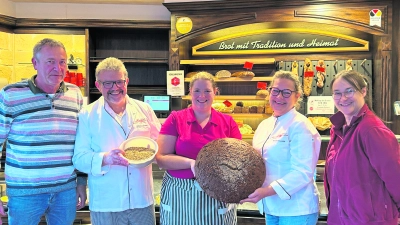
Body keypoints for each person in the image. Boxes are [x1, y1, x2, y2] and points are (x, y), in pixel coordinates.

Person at [0, 38, 87, 225]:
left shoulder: (75, 94)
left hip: (65, 191)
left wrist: (81, 182)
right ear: (35, 63)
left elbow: (81, 144)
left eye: (62, 61)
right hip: (25, 193)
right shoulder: (11, 95)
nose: (58, 67)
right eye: (50, 62)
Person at [72, 57, 161, 225]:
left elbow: (160, 144)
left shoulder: (144, 109)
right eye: (108, 83)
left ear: (127, 81)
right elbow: (79, 159)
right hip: (106, 202)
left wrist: (155, 155)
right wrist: (106, 158)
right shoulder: (87, 115)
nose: (115, 88)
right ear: (98, 85)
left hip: (141, 200)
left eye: (119, 82)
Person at [155, 71, 242, 225]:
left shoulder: (227, 122)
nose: (202, 96)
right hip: (180, 194)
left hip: (218, 194)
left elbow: (238, 160)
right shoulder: (176, 119)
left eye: (207, 91)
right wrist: (192, 164)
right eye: (197, 91)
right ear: (190, 93)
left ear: (215, 92)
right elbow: (161, 159)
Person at [240, 70, 321, 225]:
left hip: (296, 209)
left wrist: (266, 191)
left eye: (286, 93)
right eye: (275, 91)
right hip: (270, 206)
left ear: (297, 96)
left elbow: (302, 172)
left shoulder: (301, 125)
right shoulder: (264, 125)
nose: (279, 97)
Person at [324, 70, 400, 225]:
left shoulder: (372, 130)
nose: (343, 98)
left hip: (371, 221)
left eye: (349, 91)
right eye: (337, 93)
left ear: (363, 91)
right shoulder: (338, 129)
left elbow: (395, 178)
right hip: (340, 219)